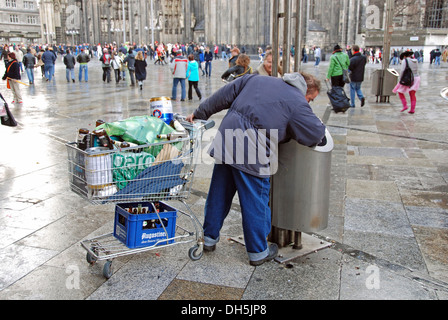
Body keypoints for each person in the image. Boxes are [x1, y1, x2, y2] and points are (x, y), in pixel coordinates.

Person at [185, 72, 326, 266]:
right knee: (256, 199)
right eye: (311, 99)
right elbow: (315, 134)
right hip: (253, 150)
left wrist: (200, 113)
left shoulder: (256, 79)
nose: (309, 103)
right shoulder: (297, 101)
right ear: (305, 91)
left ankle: (208, 239)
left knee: (219, 193)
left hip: (227, 138)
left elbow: (222, 95)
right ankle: (258, 251)